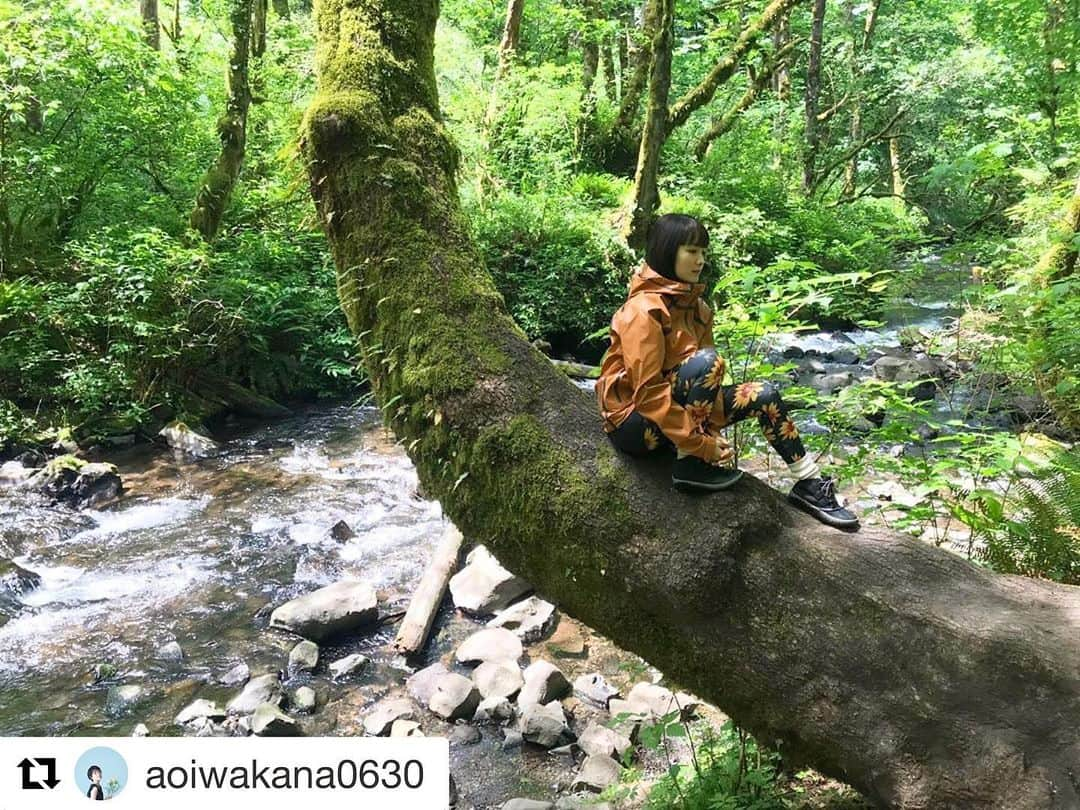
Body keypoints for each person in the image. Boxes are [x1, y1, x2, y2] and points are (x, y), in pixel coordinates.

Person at [596, 213, 858, 529]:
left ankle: (808, 483)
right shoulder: (643, 310)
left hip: (674, 421)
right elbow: (649, 392)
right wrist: (701, 444)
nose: (700, 260)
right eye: (691, 251)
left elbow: (706, 388)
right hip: (635, 425)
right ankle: (689, 463)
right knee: (709, 361)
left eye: (703, 252)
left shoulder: (699, 309)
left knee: (764, 394)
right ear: (667, 251)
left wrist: (710, 433)